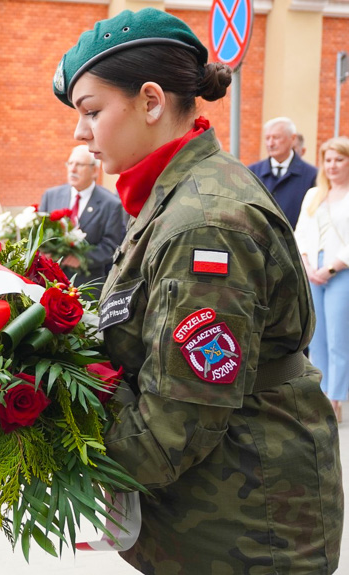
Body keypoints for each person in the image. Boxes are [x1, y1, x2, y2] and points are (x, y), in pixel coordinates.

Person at [53, 8, 343, 573]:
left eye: (91, 111)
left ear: (152, 101)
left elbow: (173, 431)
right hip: (212, 520)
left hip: (246, 531)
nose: (79, 132)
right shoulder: (172, 193)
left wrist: (51, 432)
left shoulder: (204, 223)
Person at [295, 136, 349, 423]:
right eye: (328, 160)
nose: (332, 165)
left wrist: (330, 268)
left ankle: (336, 399)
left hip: (341, 271)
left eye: (339, 159)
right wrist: (307, 266)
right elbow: (300, 232)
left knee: (339, 339)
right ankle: (321, 393)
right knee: (316, 339)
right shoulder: (313, 195)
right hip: (312, 270)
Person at [38, 144, 125, 288]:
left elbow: (112, 246)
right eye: (70, 163)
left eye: (79, 165)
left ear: (95, 171)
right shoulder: (51, 196)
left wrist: (81, 258)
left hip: (87, 285)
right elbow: (39, 233)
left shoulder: (110, 204)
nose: (72, 169)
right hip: (50, 282)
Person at [248, 117, 318, 228]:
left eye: (276, 138)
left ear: (293, 138)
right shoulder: (252, 172)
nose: (270, 144)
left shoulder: (312, 175)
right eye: (267, 138)